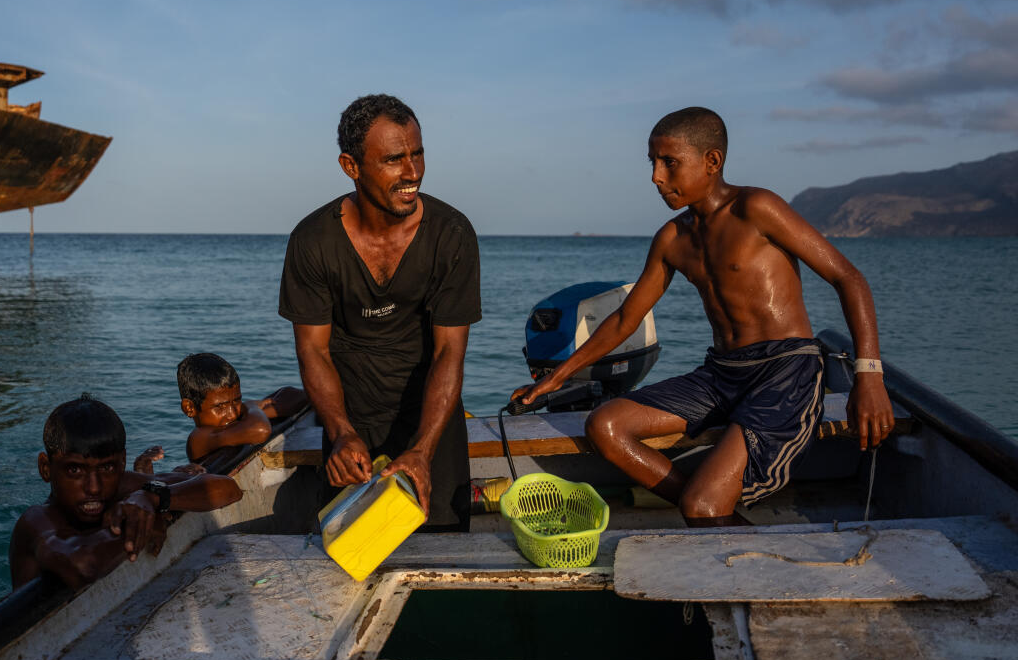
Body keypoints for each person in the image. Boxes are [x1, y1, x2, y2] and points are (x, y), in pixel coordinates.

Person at [511, 107, 894, 526]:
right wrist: (559, 376)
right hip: (722, 374)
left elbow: (847, 277)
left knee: (701, 505)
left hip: (786, 372)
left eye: (669, 163)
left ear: (712, 162)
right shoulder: (672, 238)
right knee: (605, 425)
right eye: (653, 163)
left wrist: (869, 376)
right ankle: (716, 515)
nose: (656, 177)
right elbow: (626, 320)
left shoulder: (757, 208)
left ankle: (709, 512)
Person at [280, 93, 481, 531]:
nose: (413, 173)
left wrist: (423, 451)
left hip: (432, 419)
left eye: (418, 155)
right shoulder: (313, 241)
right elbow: (314, 351)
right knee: (352, 555)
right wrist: (339, 430)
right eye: (394, 160)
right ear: (351, 167)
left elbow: (450, 353)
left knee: (443, 555)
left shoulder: (452, 234)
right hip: (349, 420)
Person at [8, 393, 242, 588]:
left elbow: (228, 489)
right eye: (74, 471)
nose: (94, 487)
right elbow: (82, 566)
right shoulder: (36, 521)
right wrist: (140, 524)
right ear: (45, 468)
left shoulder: (122, 484)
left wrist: (154, 498)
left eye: (107, 467)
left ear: (122, 463)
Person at [176, 352, 309, 462]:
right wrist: (251, 407)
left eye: (237, 401)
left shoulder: (239, 421)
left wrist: (259, 410)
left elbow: (300, 397)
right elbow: (261, 430)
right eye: (220, 407)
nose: (232, 414)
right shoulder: (199, 438)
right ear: (190, 408)